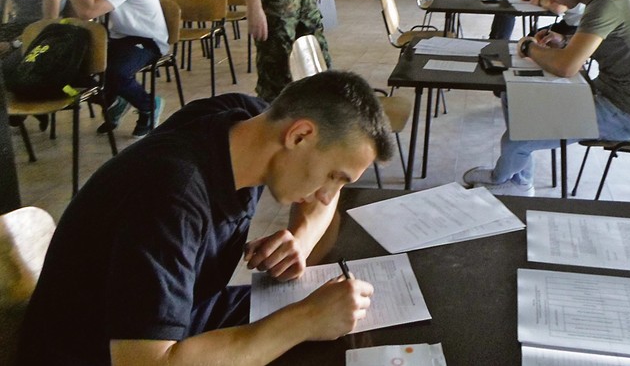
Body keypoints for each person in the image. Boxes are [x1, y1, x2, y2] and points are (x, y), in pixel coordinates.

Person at [18, 70, 395, 366]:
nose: (330, 194)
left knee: (355, 328)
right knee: (311, 326)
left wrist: (300, 236)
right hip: (101, 354)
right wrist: (305, 320)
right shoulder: (171, 196)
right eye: (334, 176)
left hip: (179, 318)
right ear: (299, 136)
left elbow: (325, 200)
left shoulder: (247, 120)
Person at [464, 0, 630, 194]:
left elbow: (566, 67)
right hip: (606, 94)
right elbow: (591, 45)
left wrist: (528, 47)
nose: (550, 0)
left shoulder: (605, 3)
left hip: (622, 114)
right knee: (514, 96)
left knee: (519, 137)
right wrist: (564, 40)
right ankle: (518, 179)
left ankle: (502, 180)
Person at [54, 0, 169, 137]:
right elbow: (82, 11)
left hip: (146, 39)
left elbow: (88, 11)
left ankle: (149, 106)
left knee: (115, 72)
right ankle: (115, 101)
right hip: (115, 37)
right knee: (65, 66)